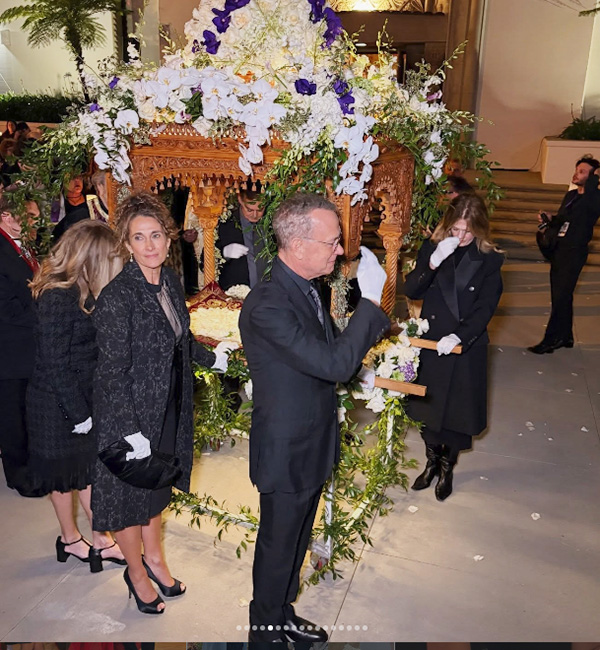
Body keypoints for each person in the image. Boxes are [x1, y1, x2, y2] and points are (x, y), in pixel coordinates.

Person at [239, 192, 390, 643]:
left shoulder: (305, 287)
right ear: (298, 245)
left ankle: (283, 612)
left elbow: (322, 356)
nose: (339, 251)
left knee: (297, 540)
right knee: (278, 546)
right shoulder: (268, 303)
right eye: (331, 242)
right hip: (286, 449)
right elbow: (333, 364)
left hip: (311, 439)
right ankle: (264, 632)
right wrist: (371, 302)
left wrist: (358, 364)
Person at [91, 191, 235, 615]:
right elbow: (111, 373)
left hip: (166, 407)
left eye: (155, 235)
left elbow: (180, 341)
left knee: (155, 490)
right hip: (128, 415)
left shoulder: (170, 282)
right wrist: (130, 431)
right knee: (128, 499)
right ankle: (136, 573)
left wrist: (212, 358)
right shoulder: (117, 297)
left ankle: (155, 559)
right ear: (127, 243)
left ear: (169, 238)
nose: (149, 245)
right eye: (139, 237)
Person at [26, 220, 126, 570]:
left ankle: (101, 538)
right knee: (63, 475)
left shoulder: (86, 289)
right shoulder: (57, 295)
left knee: (88, 471)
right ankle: (69, 539)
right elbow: (55, 363)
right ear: (91, 258)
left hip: (82, 394)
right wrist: (78, 413)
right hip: (56, 402)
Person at [404, 194, 504, 501]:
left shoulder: (489, 259)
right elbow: (412, 288)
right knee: (428, 410)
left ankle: (447, 467)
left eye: (467, 231)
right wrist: (433, 262)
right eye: (455, 229)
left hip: (464, 345)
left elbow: (485, 306)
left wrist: (460, 336)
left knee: (457, 415)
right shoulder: (432, 248)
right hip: (432, 341)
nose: (460, 237)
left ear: (479, 229)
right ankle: (431, 461)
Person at [528, 156, 600, 354]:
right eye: (577, 170)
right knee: (561, 295)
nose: (577, 174)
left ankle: (551, 340)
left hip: (574, 252)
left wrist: (595, 178)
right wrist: (551, 218)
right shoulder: (571, 196)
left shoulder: (594, 198)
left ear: (593, 176)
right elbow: (563, 219)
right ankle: (566, 335)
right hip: (560, 250)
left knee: (561, 295)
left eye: (583, 171)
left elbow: (589, 206)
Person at [0, 193, 41, 496]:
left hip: (26, 346)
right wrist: (44, 316)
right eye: (29, 217)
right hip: (9, 351)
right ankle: (20, 477)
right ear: (6, 216)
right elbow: (6, 308)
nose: (35, 223)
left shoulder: (22, 244)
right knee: (12, 416)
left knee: (27, 412)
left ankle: (33, 467)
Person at [216, 186, 267, 291]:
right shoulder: (225, 224)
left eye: (260, 209)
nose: (254, 215)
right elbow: (204, 263)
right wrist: (224, 253)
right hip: (236, 294)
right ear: (240, 200)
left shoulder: (272, 222)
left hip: (269, 293)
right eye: (249, 209)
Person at [52, 175, 91, 242]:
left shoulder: (92, 201)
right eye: (72, 178)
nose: (77, 180)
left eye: (80, 177)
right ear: (63, 182)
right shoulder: (56, 205)